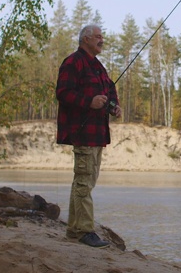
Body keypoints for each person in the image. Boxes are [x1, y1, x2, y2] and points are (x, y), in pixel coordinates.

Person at [56, 24, 122, 248]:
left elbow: (109, 90)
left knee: (85, 182)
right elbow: (62, 93)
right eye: (98, 37)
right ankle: (84, 231)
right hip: (82, 132)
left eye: (102, 37)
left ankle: (74, 231)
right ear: (85, 39)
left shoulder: (98, 66)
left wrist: (114, 107)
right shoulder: (73, 62)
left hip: (98, 133)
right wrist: (89, 102)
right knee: (84, 183)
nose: (101, 40)